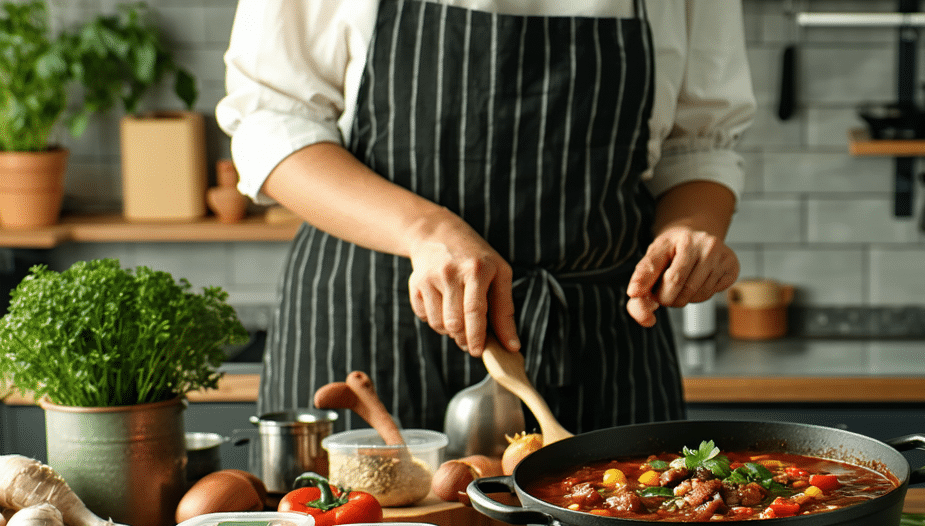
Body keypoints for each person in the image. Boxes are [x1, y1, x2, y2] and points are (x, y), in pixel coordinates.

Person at [217, 0, 755, 434]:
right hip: (376, 326)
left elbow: (699, 144)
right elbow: (272, 124)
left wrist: (691, 228)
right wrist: (425, 231)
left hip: (601, 343)